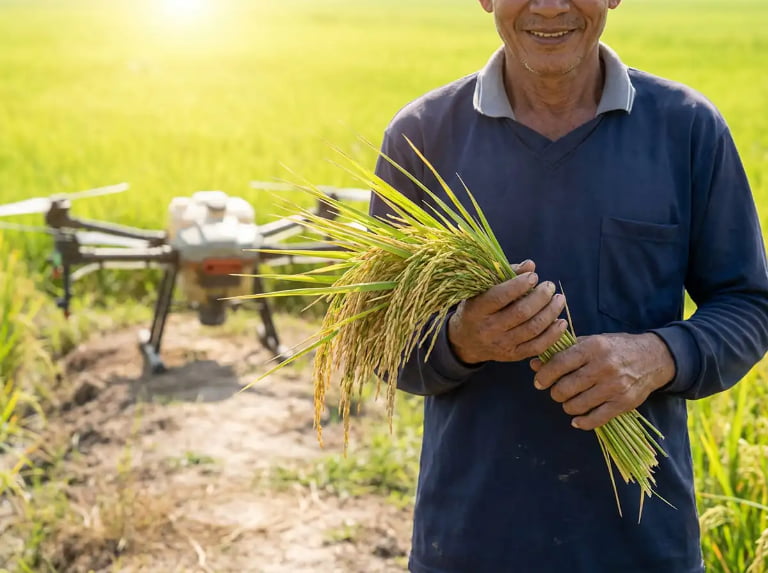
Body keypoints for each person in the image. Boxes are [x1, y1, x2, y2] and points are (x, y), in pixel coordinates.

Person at [368, 1, 768, 572]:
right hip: (471, 541)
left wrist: (656, 356)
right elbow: (380, 340)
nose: (551, 5)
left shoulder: (687, 129)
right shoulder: (423, 137)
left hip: (642, 544)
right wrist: (463, 340)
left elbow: (748, 304)